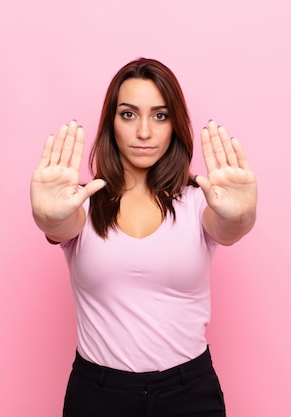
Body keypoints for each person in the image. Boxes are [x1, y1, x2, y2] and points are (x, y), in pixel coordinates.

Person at [30, 58, 257, 417]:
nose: (144, 132)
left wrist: (241, 216)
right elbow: (59, 225)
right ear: (111, 123)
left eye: (160, 116)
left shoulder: (200, 201)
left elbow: (228, 227)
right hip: (98, 395)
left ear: (175, 125)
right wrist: (47, 217)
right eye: (129, 114)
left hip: (189, 394)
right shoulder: (80, 203)